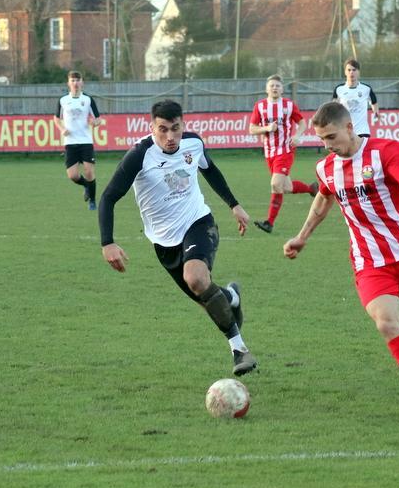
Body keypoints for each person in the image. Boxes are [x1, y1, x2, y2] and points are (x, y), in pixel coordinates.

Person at [284, 102, 399, 417]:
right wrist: (302, 236)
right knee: (387, 323)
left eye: (332, 137)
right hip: (369, 261)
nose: (327, 146)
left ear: (350, 128)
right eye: (322, 140)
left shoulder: (384, 150)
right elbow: (324, 198)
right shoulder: (326, 167)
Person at [98, 100, 257, 376]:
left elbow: (210, 170)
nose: (170, 137)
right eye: (163, 130)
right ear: (152, 128)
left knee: (195, 278)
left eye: (175, 129)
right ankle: (230, 296)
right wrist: (107, 242)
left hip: (198, 222)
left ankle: (239, 350)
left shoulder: (193, 143)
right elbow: (108, 197)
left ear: (183, 124)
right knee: (204, 299)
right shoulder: (139, 155)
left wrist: (234, 204)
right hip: (164, 242)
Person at [249, 74, 318, 233]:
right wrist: (266, 128)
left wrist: (297, 135)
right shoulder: (260, 106)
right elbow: (252, 129)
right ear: (267, 89)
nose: (274, 88)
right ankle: (311, 189)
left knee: (275, 184)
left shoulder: (288, 105)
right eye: (272, 85)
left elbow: (302, 123)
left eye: (277, 86)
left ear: (282, 89)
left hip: (285, 150)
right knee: (285, 186)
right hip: (269, 153)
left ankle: (269, 223)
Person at [54, 70, 102, 210]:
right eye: (72, 80)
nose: (75, 83)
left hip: (86, 141)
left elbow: (98, 119)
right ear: (68, 83)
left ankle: (92, 200)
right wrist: (62, 129)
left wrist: (95, 123)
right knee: (73, 176)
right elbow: (56, 118)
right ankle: (87, 186)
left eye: (77, 80)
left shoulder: (87, 100)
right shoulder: (63, 100)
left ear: (82, 82)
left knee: (89, 172)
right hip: (70, 142)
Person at [332, 59, 379, 137]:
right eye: (349, 70)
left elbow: (374, 102)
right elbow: (334, 107)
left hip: (362, 131)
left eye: (354, 70)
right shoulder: (339, 89)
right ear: (345, 72)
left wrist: (376, 113)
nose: (351, 72)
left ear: (358, 72)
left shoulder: (366, 89)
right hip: (345, 132)